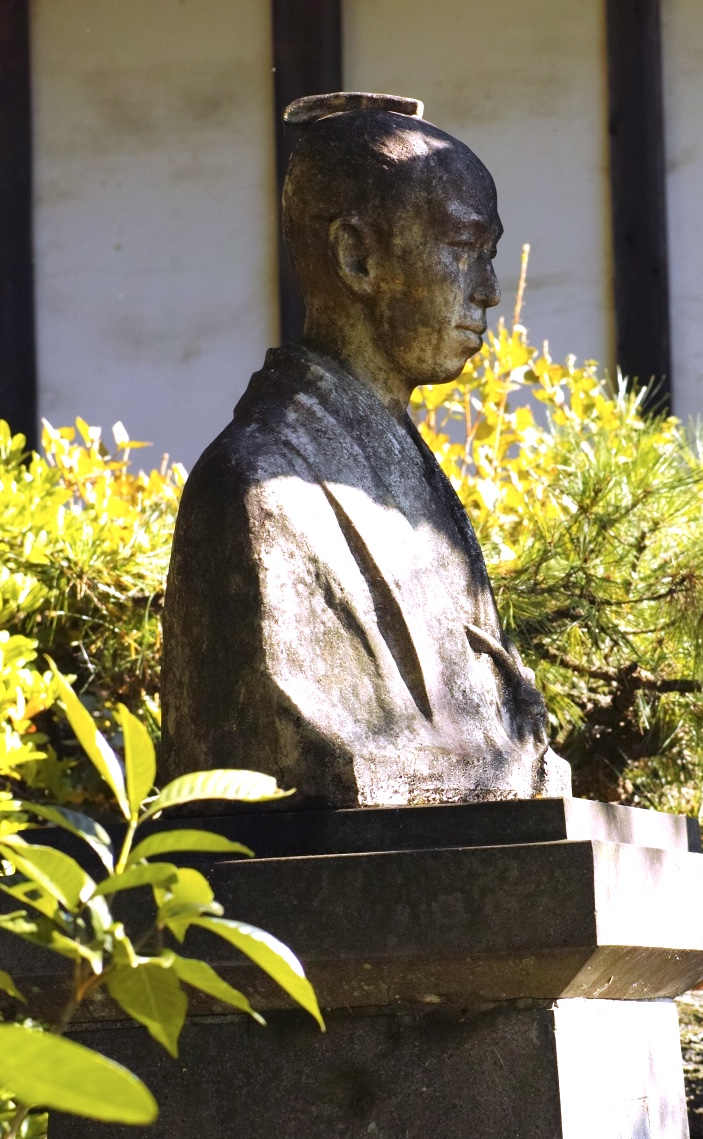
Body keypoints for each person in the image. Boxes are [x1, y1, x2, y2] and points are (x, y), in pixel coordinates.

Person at [160, 91, 572, 807]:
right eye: (462, 249)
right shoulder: (259, 490)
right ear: (356, 255)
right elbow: (320, 761)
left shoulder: (413, 485)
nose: (489, 292)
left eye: (491, 255)